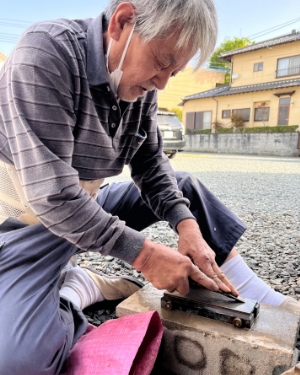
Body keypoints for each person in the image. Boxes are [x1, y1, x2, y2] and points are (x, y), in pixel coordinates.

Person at [0, 1, 299, 374]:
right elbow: (53, 195)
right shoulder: (46, 52)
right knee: (18, 362)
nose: (161, 82)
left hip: (83, 206)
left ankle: (251, 292)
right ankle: (73, 291)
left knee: (182, 189)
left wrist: (186, 225)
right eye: (162, 62)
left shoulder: (137, 84)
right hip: (23, 230)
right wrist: (145, 256)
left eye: (174, 72)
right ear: (123, 21)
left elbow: (152, 164)